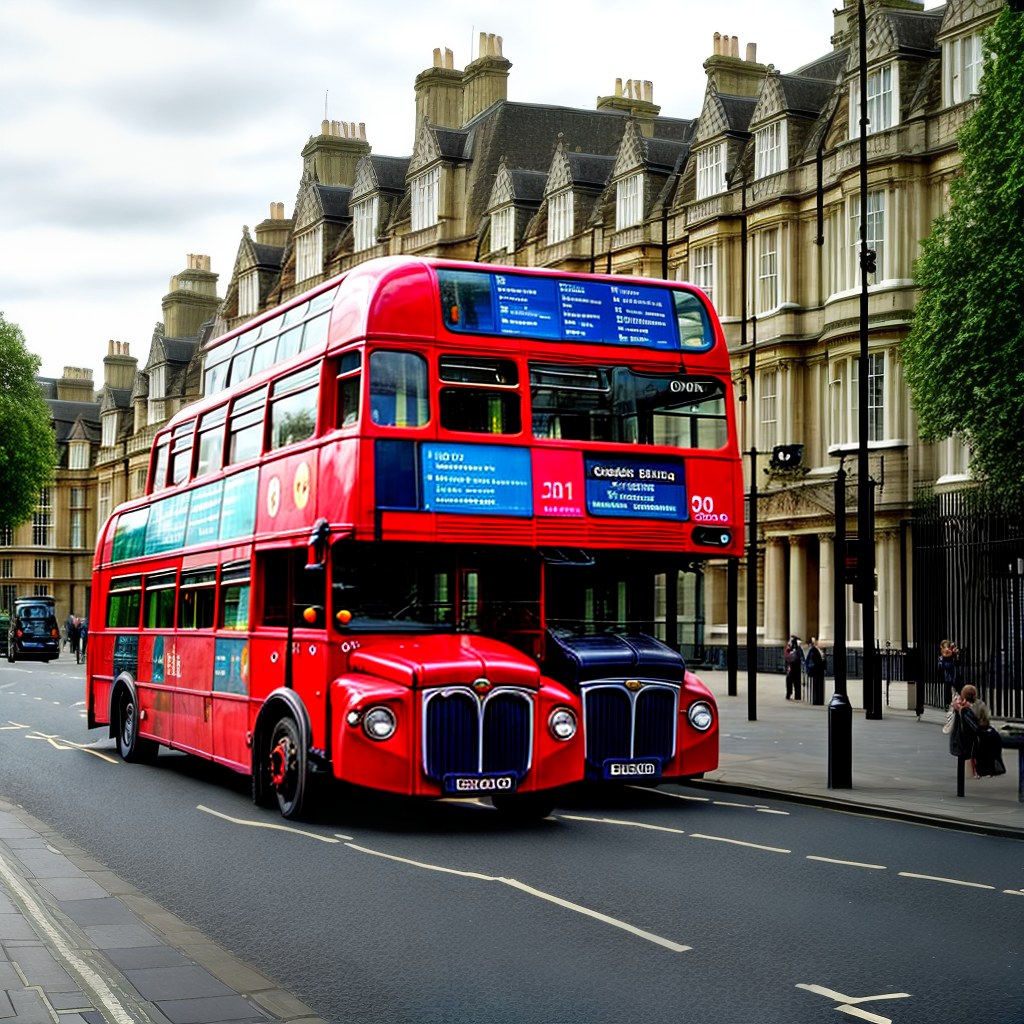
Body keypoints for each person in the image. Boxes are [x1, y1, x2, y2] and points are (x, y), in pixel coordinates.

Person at [947, 683, 979, 773]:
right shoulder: (967, 710)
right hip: (965, 742)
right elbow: (975, 726)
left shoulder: (958, 706)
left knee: (962, 762)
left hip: (957, 740)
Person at [971, 701, 1005, 778]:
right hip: (989, 747)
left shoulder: (978, 731)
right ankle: (988, 770)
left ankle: (979, 771)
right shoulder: (992, 732)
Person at [805, 637, 825, 704]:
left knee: (818, 686)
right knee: (816, 686)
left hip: (819, 671)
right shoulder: (813, 650)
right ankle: (816, 700)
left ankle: (818, 700)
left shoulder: (817, 650)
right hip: (816, 670)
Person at [784, 635, 803, 700]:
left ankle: (789, 694)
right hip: (796, 667)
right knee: (797, 682)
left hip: (791, 667)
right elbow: (801, 658)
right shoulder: (798, 648)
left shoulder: (789, 647)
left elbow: (787, 658)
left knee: (789, 681)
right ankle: (797, 695)